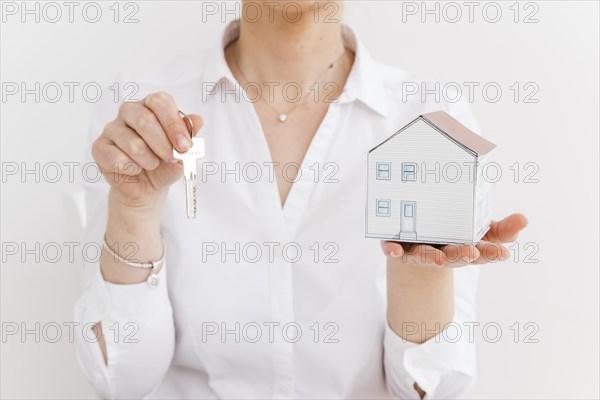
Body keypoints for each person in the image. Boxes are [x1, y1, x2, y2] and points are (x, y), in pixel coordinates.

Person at [75, 1, 528, 398]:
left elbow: (431, 390)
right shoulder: (142, 119)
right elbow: (121, 379)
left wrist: (420, 278)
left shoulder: (429, 120)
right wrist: (135, 210)